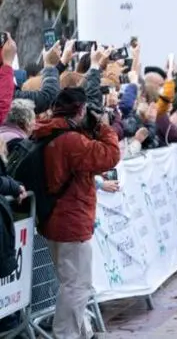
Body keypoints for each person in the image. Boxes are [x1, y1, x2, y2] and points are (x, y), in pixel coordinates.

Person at [35, 88, 121, 338]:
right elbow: (109, 155)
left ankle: (82, 332)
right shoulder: (70, 140)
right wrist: (104, 127)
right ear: (81, 110)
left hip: (54, 218)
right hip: (70, 220)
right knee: (76, 285)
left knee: (71, 283)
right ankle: (66, 335)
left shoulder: (49, 130)